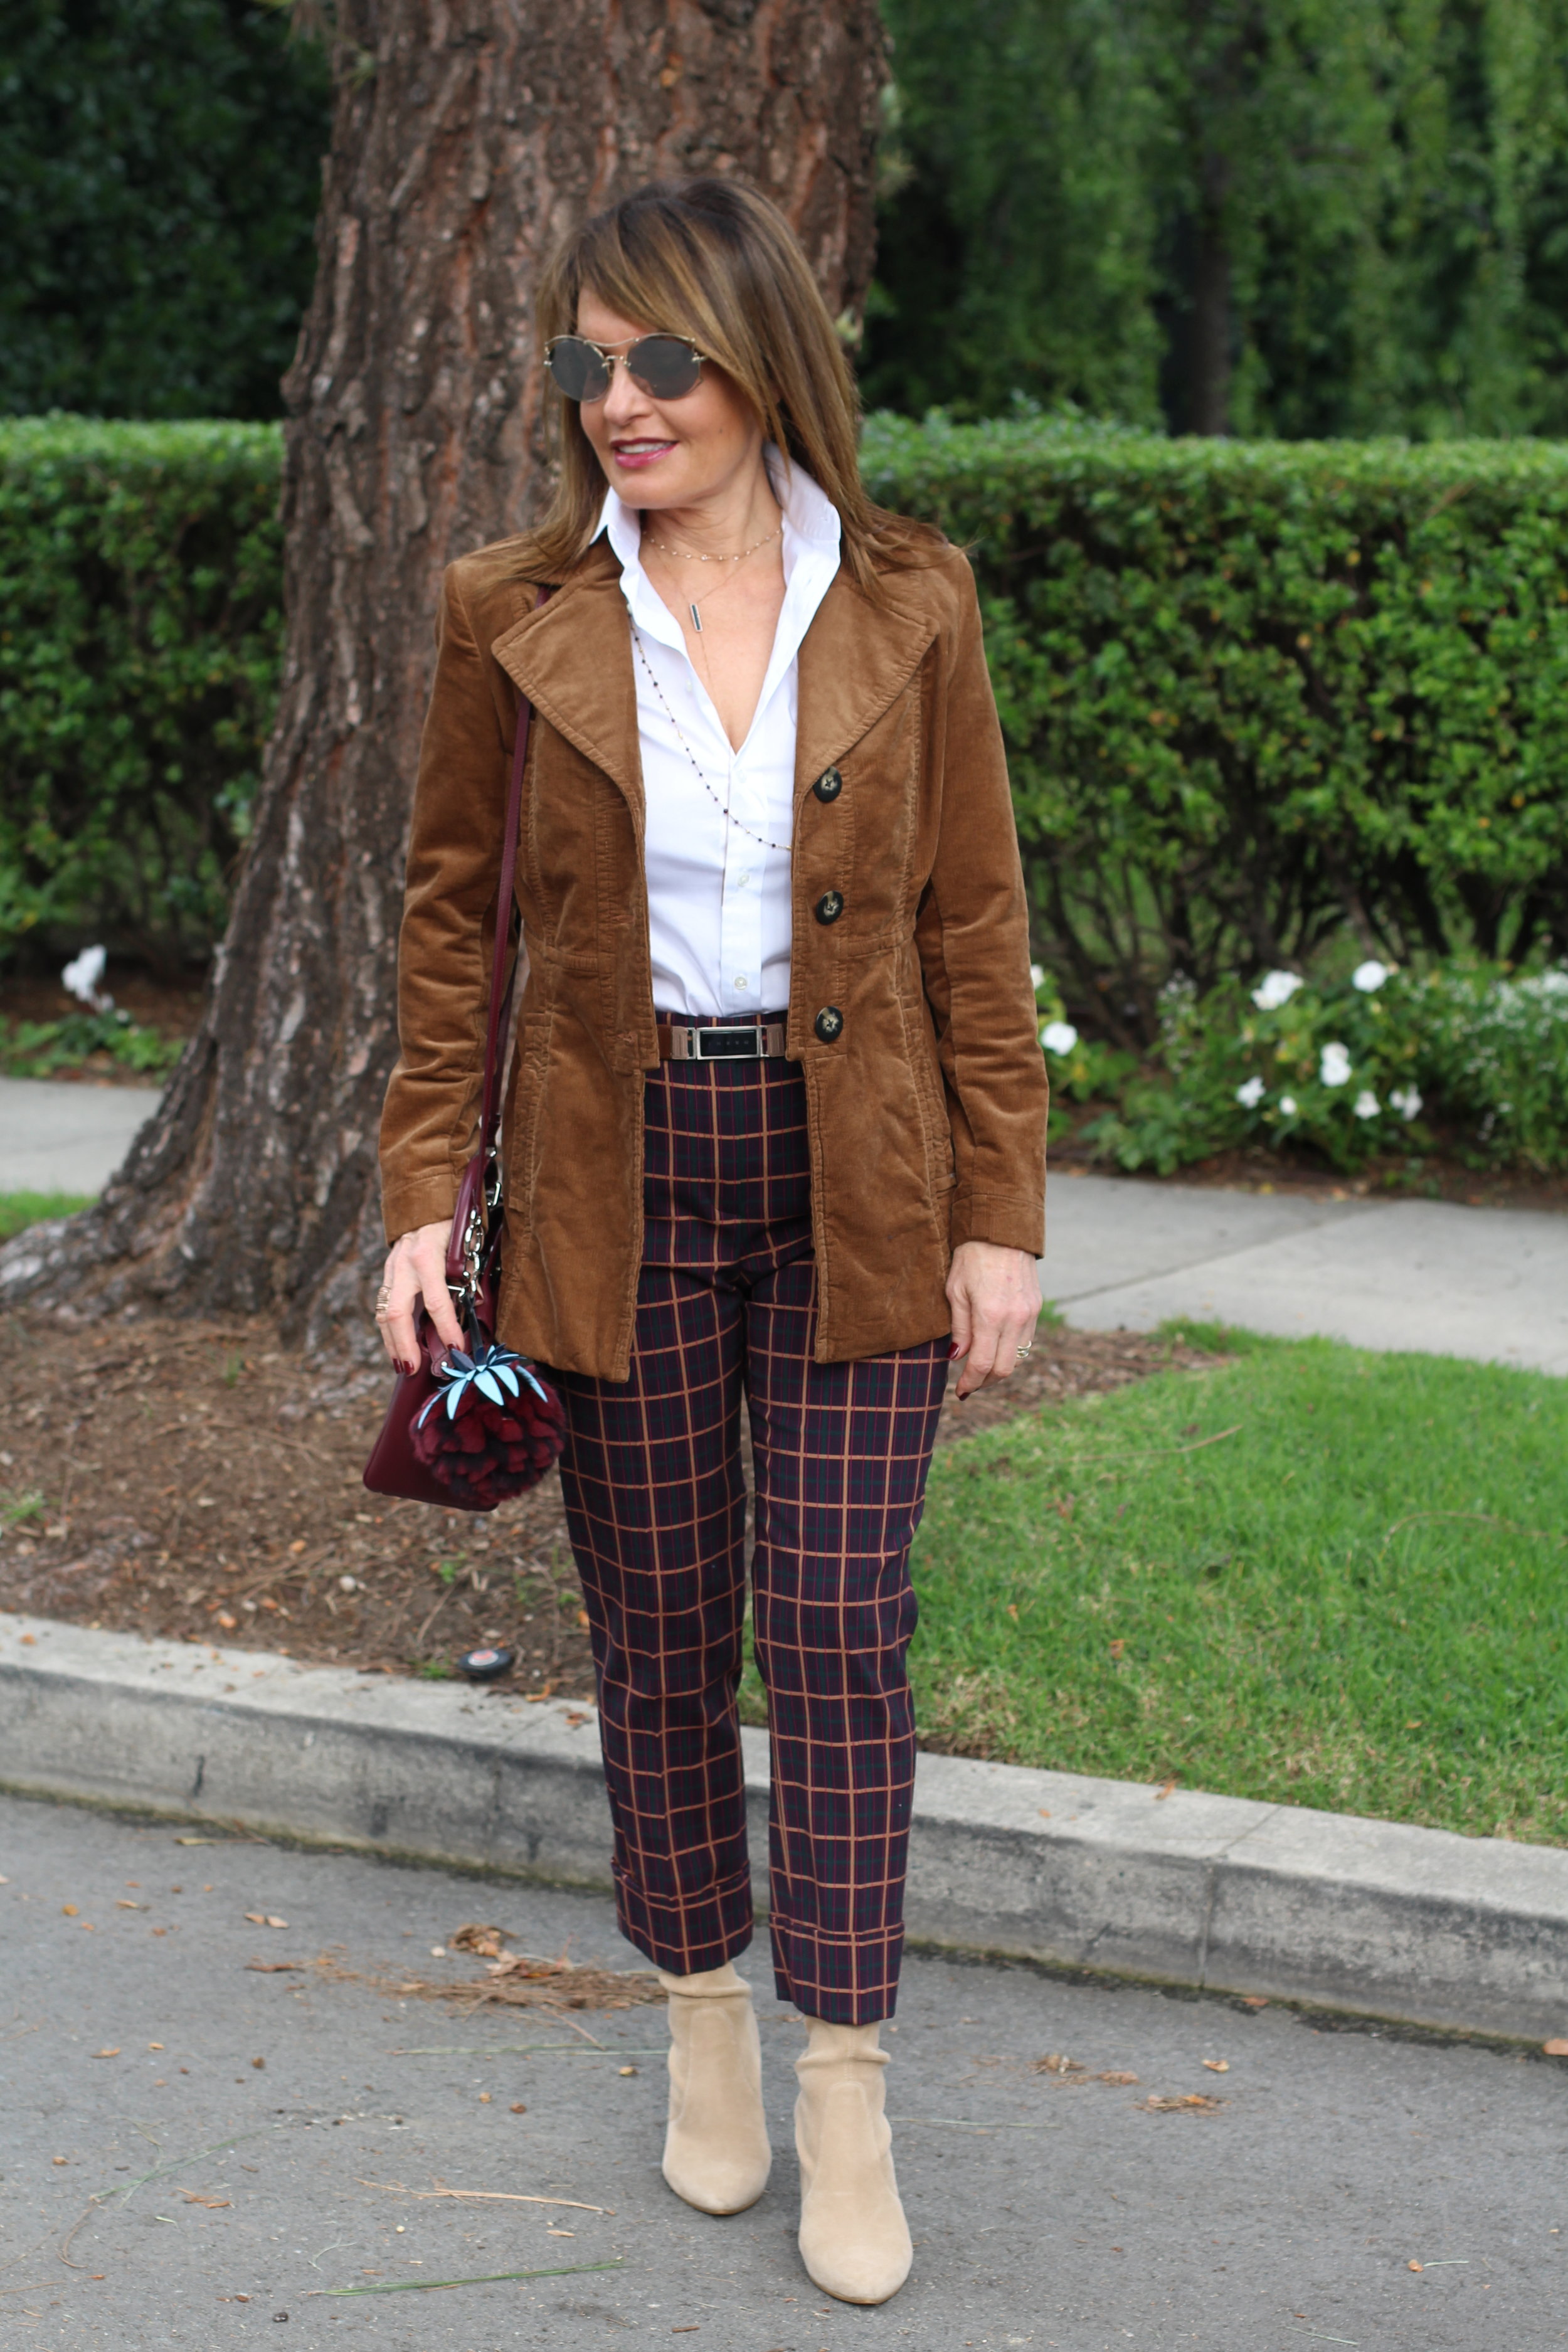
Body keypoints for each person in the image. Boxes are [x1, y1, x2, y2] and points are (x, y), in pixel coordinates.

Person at [375, 176, 1048, 2307]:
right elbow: (449, 927)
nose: (617, 401)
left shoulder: (914, 602)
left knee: (840, 1623)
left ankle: (843, 2078)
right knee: (663, 1629)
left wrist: (1001, 1217)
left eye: (658, 358)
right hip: (613, 1174)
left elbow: (974, 930)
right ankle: (698, 2020)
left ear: (760, 359)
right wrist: (418, 1195)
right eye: (586, 363)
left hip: (862, 1177)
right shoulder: (515, 608)